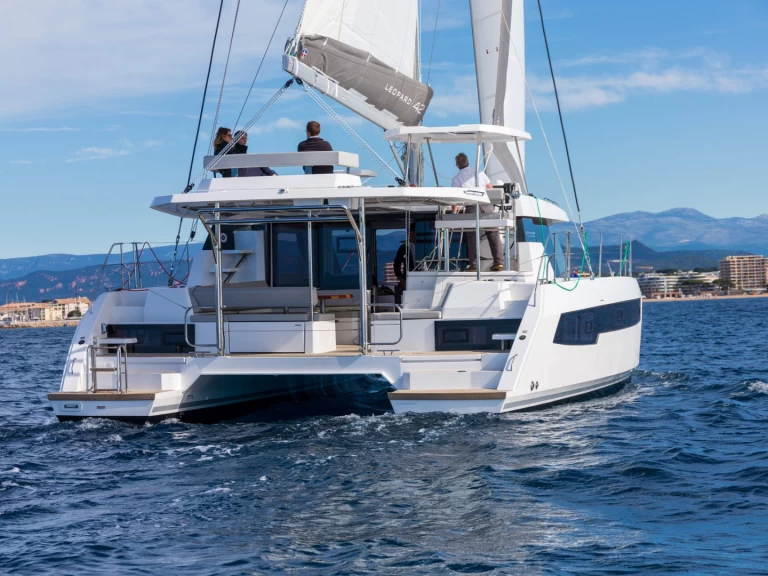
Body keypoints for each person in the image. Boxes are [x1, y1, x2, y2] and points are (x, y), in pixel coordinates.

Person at [450, 152, 504, 272]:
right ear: (468, 162)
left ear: (457, 165)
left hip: (472, 207)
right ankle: (499, 262)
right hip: (487, 206)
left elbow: (455, 200)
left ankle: (474, 264)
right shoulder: (479, 173)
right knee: (493, 234)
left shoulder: (456, 178)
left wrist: (454, 214)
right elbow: (490, 189)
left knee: (472, 236)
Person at [393, 224, 417, 303]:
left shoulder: (425, 246)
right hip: (407, 279)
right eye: (410, 232)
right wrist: (401, 278)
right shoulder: (404, 247)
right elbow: (396, 264)